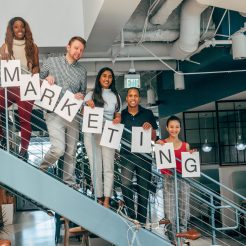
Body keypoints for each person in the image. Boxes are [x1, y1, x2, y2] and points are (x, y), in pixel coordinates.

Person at [39, 36, 87, 186]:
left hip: (72, 114)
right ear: (68, 47)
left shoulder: (82, 71)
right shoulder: (51, 62)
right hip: (53, 112)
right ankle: (40, 169)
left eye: (81, 50)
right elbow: (36, 82)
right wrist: (45, 80)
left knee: (71, 152)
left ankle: (69, 183)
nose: (78, 52)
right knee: (58, 149)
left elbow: (82, 92)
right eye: (76, 48)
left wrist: (81, 96)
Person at [0, 17, 39, 160]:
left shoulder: (33, 46)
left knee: (24, 119)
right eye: (16, 27)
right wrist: (3, 61)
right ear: (11, 29)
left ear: (25, 28)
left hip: (26, 86)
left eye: (22, 26)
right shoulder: (4, 46)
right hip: (10, 86)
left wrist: (35, 70)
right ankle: (2, 137)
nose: (19, 29)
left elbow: (36, 66)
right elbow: (1, 70)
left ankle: (24, 151)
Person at [83, 67, 122, 208]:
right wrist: (88, 105)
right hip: (92, 133)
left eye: (110, 77)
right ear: (99, 78)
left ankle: (106, 199)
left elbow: (118, 114)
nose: (107, 79)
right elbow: (82, 113)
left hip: (109, 132)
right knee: (96, 166)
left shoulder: (116, 96)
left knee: (109, 167)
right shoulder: (91, 94)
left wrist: (117, 118)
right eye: (104, 76)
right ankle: (99, 197)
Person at [120, 87, 158, 224]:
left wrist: (150, 127)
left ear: (139, 99)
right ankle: (132, 217)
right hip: (126, 156)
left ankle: (141, 223)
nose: (133, 98)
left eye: (135, 95)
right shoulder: (121, 115)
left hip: (144, 157)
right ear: (127, 98)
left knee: (144, 191)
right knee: (125, 184)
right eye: (130, 95)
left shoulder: (148, 114)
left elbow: (154, 137)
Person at [156, 115, 195, 244]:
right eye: (171, 127)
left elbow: (189, 165)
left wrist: (191, 155)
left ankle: (181, 240)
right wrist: (157, 143)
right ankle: (172, 240)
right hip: (168, 179)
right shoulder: (162, 143)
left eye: (177, 127)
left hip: (184, 180)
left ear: (180, 128)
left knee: (184, 211)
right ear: (167, 128)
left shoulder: (186, 145)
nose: (174, 129)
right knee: (170, 212)